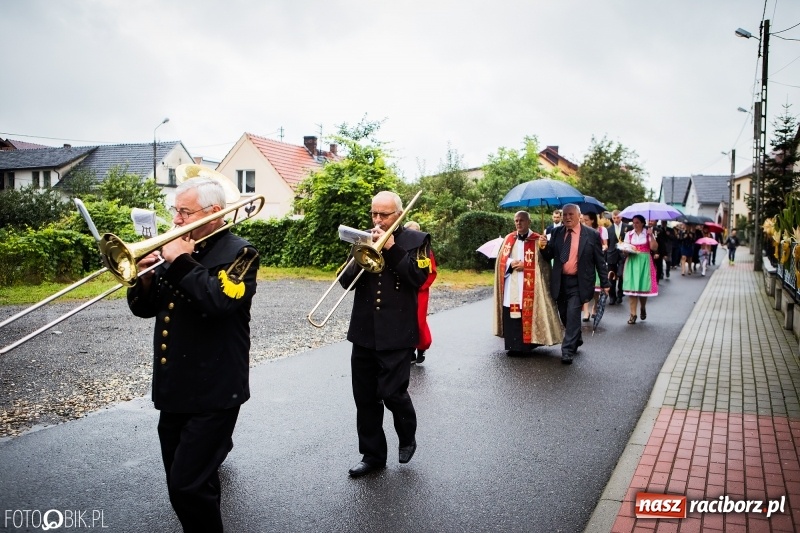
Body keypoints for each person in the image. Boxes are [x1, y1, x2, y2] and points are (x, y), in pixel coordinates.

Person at [127, 177, 260, 533]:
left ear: (214, 213)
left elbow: (220, 302)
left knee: (186, 484)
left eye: (184, 212)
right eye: (176, 211)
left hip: (215, 389)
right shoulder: (180, 249)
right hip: (175, 388)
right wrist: (143, 279)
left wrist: (181, 262)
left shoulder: (239, 252)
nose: (176, 221)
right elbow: (147, 308)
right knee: (185, 481)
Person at [339, 191, 432, 478]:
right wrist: (360, 253)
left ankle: (407, 434)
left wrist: (391, 248)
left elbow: (418, 279)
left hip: (397, 332)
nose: (377, 220)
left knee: (393, 393)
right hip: (365, 331)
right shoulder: (363, 237)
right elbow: (345, 282)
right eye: (374, 214)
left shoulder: (418, 241)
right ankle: (372, 455)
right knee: (365, 397)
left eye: (384, 215)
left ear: (399, 214)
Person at [538, 204, 609, 365]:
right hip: (560, 281)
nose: (567, 217)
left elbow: (599, 260)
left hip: (579, 282)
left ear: (579, 216)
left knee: (573, 314)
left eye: (571, 214)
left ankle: (567, 350)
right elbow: (549, 255)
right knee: (564, 314)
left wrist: (605, 282)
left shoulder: (591, 235)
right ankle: (576, 337)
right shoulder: (556, 232)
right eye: (564, 215)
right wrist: (543, 247)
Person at [493, 211, 563, 357]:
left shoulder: (538, 239)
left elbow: (545, 264)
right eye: (516, 221)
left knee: (527, 313)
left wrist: (541, 251)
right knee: (512, 315)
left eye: (522, 220)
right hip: (511, 283)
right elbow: (501, 261)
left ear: (529, 222)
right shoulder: (509, 238)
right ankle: (513, 346)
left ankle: (527, 346)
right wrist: (511, 263)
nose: (518, 223)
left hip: (529, 285)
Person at [404, 220, 437, 364]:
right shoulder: (401, 248)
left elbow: (431, 273)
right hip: (404, 291)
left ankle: (422, 348)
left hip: (419, 292)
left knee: (418, 321)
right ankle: (408, 351)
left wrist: (420, 285)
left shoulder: (425, 252)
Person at [621, 215, 658, 324]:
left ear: (642, 223)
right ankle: (633, 314)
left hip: (644, 262)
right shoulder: (629, 234)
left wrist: (651, 236)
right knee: (632, 288)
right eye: (634, 223)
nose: (635, 225)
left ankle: (642, 307)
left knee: (642, 288)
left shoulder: (648, 233)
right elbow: (625, 250)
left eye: (637, 222)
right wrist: (625, 250)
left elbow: (654, 248)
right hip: (632, 261)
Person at [580, 212, 607, 321]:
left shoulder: (601, 230)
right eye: (583, 220)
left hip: (596, 259)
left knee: (596, 288)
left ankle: (595, 306)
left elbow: (605, 244)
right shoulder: (580, 230)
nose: (584, 222)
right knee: (585, 286)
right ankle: (586, 312)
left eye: (586, 220)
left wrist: (603, 248)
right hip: (585, 262)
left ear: (592, 220)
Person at [607, 210, 627, 304]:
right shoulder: (609, 229)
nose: (616, 220)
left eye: (617, 217)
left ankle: (620, 294)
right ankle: (612, 296)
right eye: (614, 218)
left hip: (623, 254)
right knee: (611, 276)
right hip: (612, 254)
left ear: (621, 217)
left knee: (621, 275)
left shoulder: (627, 227)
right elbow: (607, 243)